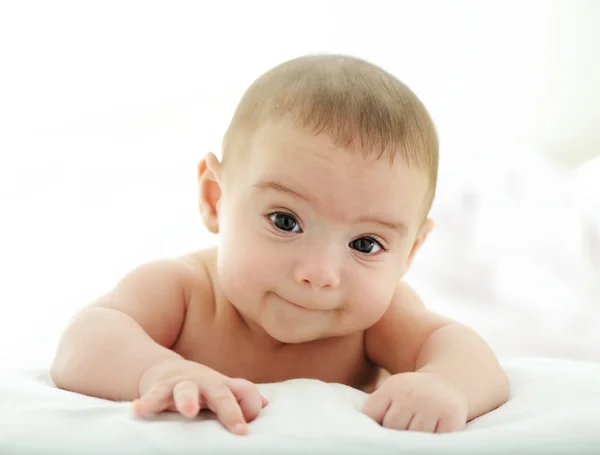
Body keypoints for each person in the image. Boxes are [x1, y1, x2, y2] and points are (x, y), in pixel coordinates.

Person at [50, 54, 509, 436]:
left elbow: (472, 357)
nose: (319, 272)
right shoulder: (185, 290)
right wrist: (160, 372)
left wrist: (445, 385)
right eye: (285, 221)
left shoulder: (376, 321)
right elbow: (83, 340)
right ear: (216, 198)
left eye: (366, 245)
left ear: (409, 253)